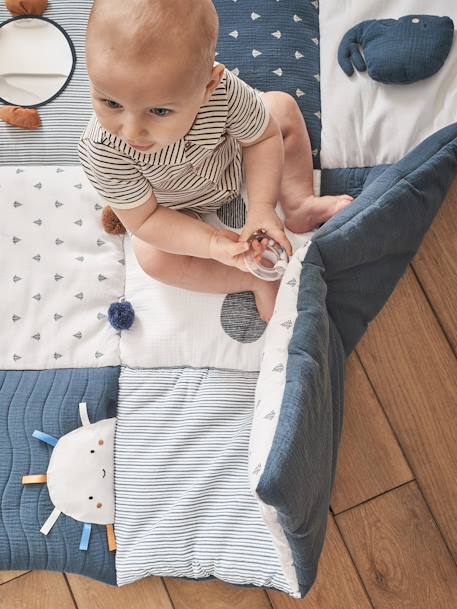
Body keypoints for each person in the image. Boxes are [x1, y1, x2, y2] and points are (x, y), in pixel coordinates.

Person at [78, 0, 354, 321]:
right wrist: (210, 244)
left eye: (159, 111)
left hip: (235, 160)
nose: (132, 130)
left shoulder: (224, 93)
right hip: (173, 208)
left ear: (208, 86)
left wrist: (263, 206)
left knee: (281, 108)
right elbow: (145, 220)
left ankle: (299, 203)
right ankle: (250, 279)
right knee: (153, 257)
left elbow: (262, 137)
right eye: (110, 102)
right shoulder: (102, 149)